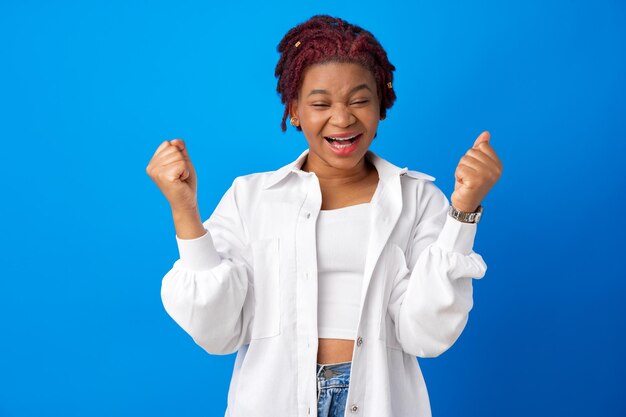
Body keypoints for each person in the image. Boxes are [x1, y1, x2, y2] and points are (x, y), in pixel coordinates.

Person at [146, 14, 502, 417]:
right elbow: (217, 331)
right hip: (274, 401)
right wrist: (185, 210)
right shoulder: (252, 198)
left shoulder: (418, 199)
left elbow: (428, 335)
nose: (342, 118)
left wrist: (463, 212)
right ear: (294, 111)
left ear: (381, 106)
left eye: (359, 100)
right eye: (320, 103)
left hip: (379, 401)